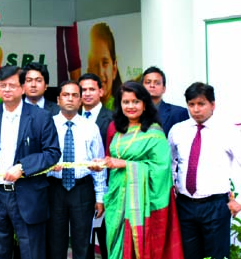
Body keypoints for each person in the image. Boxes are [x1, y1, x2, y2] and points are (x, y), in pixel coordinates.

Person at [0, 65, 60, 259]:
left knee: (32, 252)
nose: (7, 90)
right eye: (2, 86)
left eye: (12, 86)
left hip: (28, 194)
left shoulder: (41, 117)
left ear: (22, 88)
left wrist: (23, 167)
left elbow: (52, 152)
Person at [98, 81, 183, 259]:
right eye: (125, 102)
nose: (130, 106)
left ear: (144, 104)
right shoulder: (118, 131)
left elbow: (161, 170)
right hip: (117, 203)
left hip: (142, 205)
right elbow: (115, 161)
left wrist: (125, 165)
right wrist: (104, 163)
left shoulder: (154, 133)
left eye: (135, 101)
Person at [168, 82, 241, 259]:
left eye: (201, 104)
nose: (196, 109)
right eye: (191, 104)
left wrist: (238, 200)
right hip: (185, 205)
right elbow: (170, 162)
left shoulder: (228, 131)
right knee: (189, 254)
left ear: (212, 104)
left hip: (215, 205)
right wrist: (173, 184)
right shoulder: (178, 130)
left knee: (216, 255)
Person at [46, 81, 106, 259]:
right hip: (54, 188)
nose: (70, 99)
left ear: (80, 101)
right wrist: (48, 168)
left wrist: (100, 196)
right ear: (58, 100)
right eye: (66, 95)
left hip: (82, 189)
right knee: (55, 242)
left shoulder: (91, 127)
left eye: (74, 95)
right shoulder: (48, 125)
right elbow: (40, 158)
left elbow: (99, 165)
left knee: (82, 242)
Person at [78, 73, 113, 259]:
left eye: (92, 89)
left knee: (108, 241)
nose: (87, 93)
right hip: (80, 190)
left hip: (107, 189)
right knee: (84, 244)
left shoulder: (114, 118)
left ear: (101, 91)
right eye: (83, 90)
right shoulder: (72, 118)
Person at [141, 67, 189, 135]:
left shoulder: (178, 113)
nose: (152, 85)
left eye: (157, 83)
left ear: (164, 89)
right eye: (148, 82)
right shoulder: (132, 112)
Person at [86, 23, 121, 110]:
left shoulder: (123, 110)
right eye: (95, 64)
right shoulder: (79, 111)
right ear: (88, 70)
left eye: (105, 63)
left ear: (114, 68)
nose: (100, 73)